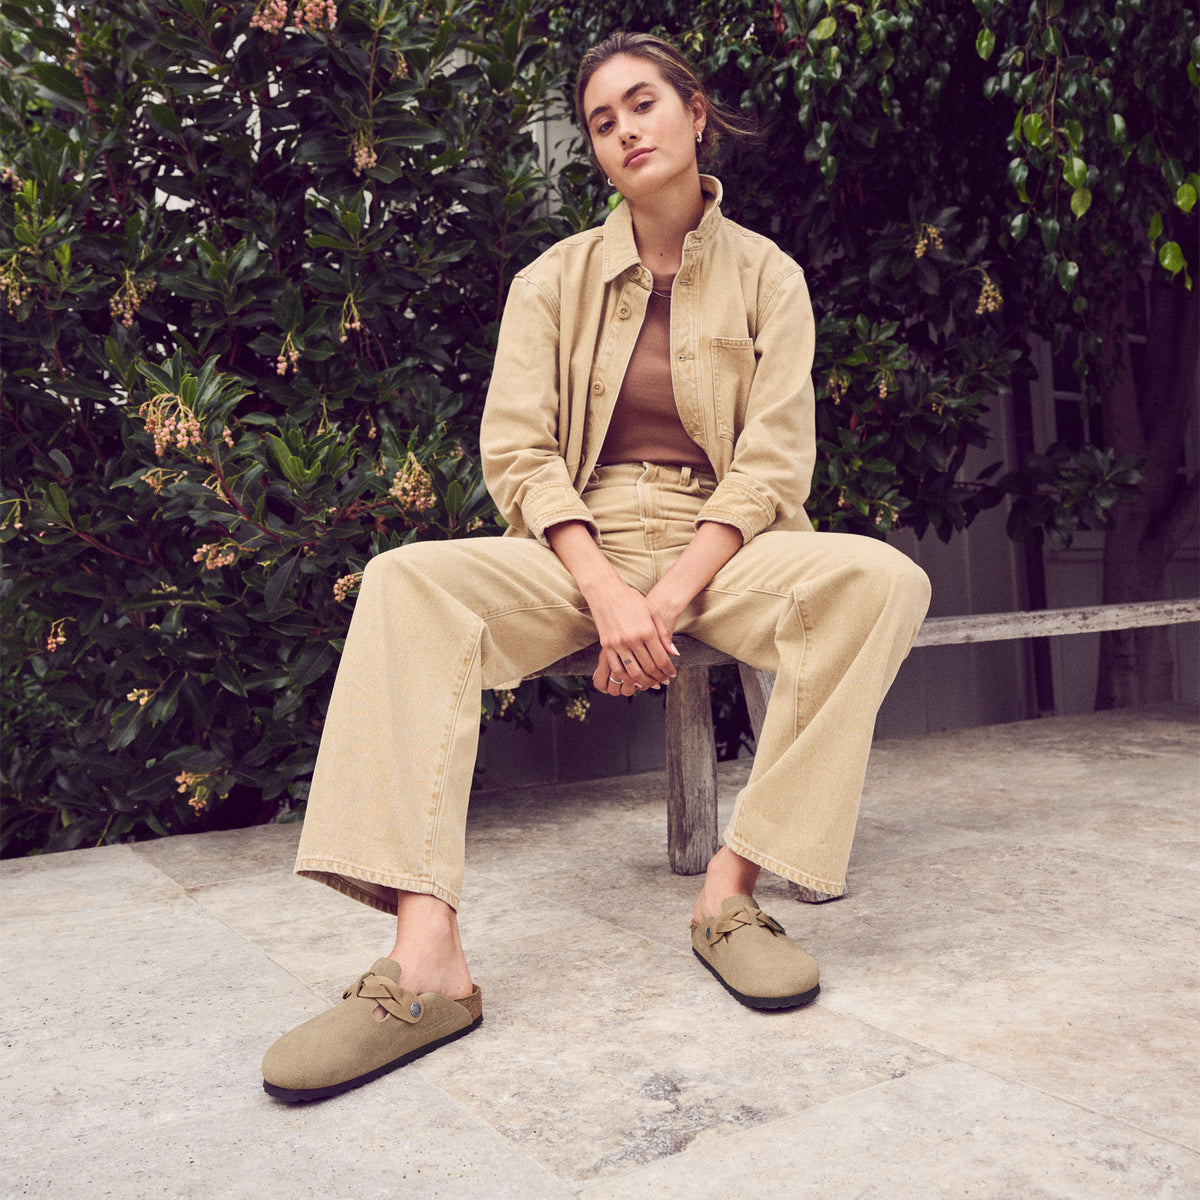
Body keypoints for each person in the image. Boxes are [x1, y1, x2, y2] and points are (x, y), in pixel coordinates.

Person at [261, 30, 930, 1103]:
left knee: (886, 581)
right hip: (576, 544)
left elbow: (771, 463)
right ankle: (425, 958)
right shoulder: (551, 281)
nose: (624, 130)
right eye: (602, 121)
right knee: (403, 582)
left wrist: (667, 598)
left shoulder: (771, 278)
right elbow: (518, 452)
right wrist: (610, 590)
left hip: (729, 547)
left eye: (641, 104)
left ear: (695, 112)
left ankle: (730, 895)